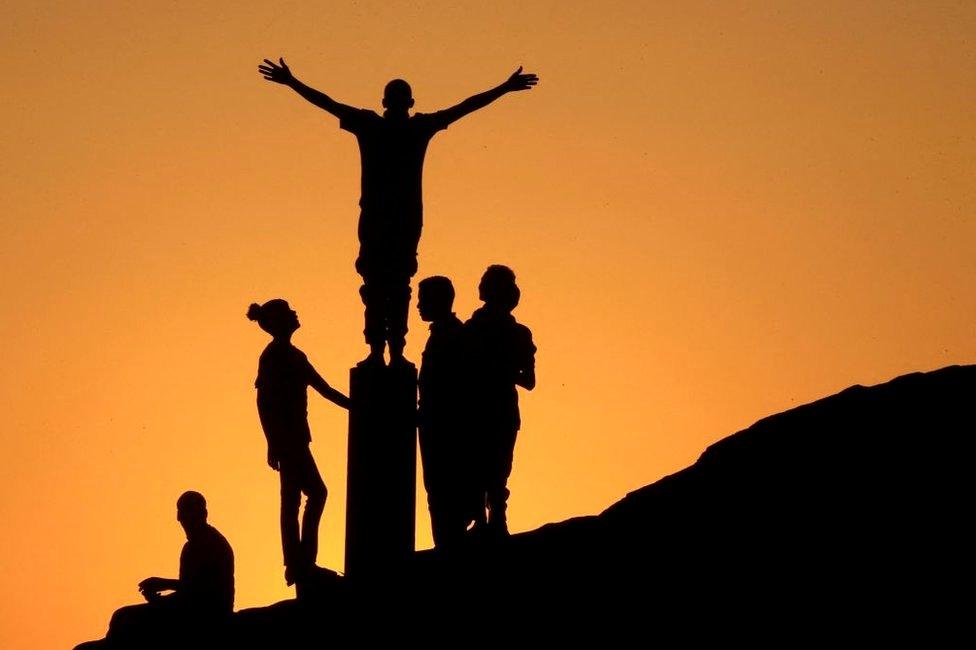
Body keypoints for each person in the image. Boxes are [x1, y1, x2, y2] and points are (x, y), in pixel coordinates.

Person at [258, 58, 539, 365]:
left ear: (389, 102)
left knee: (385, 288)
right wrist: (292, 82)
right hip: (390, 223)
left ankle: (387, 351)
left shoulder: (385, 126)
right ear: (407, 103)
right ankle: (385, 351)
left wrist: (292, 82)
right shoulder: (399, 126)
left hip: (392, 224)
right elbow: (464, 106)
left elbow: (328, 103)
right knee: (386, 288)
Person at [247, 299, 350, 586]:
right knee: (308, 496)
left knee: (301, 497)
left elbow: (325, 390)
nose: (296, 313)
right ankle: (299, 563)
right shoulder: (273, 356)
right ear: (280, 321)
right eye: (290, 312)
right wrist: (272, 442)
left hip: (296, 438)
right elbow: (264, 402)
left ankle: (300, 563)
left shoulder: (294, 355)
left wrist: (358, 406)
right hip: (288, 439)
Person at [75, 491, 234, 649]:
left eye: (191, 513)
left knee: (125, 617)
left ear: (203, 514)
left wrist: (163, 584)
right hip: (190, 609)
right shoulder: (190, 547)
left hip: (208, 615)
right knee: (121, 616)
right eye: (183, 513)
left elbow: (203, 591)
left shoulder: (214, 543)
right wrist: (160, 601)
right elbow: (187, 594)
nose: (185, 519)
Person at [464, 266, 536, 537]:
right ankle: (488, 522)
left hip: (493, 408)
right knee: (487, 467)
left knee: (492, 468)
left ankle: (492, 522)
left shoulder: (478, 330)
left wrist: (496, 368)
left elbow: (529, 381)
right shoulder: (477, 329)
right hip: (487, 408)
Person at [416, 276, 475, 547]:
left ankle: (448, 546)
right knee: (438, 491)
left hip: (444, 427)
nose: (417, 305)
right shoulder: (445, 334)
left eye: (423, 299)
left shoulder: (452, 336)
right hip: (435, 423)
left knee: (443, 490)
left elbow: (451, 387)